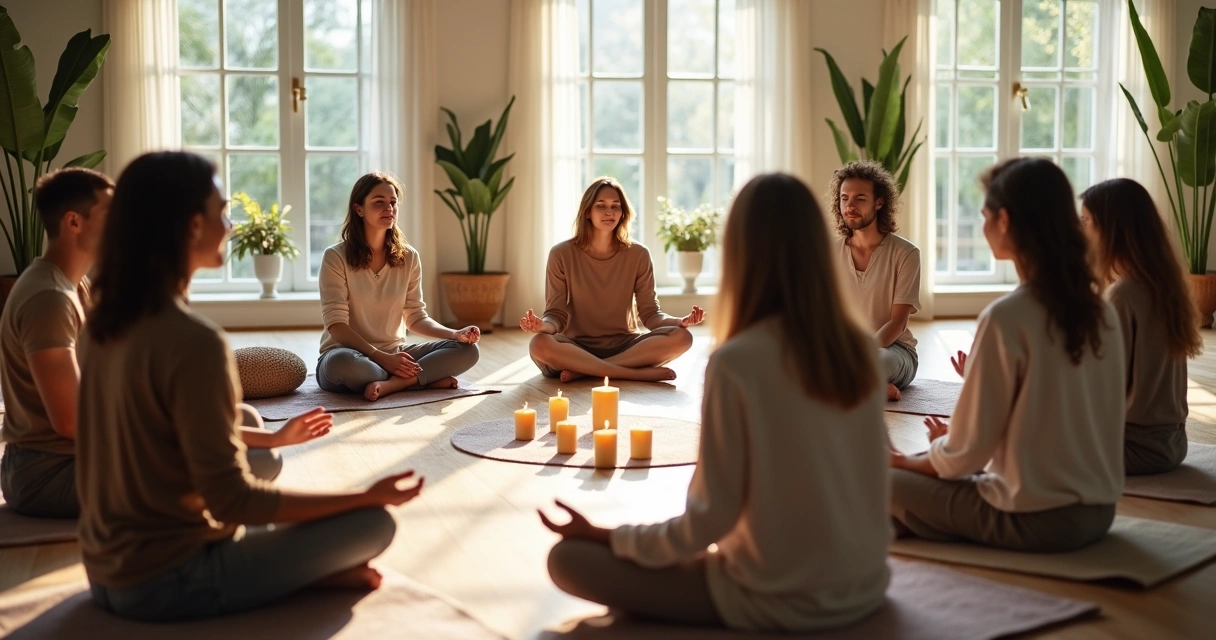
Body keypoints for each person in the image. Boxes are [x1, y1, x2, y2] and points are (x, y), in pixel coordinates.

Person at [77, 152, 424, 622]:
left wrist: (274, 440)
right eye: (222, 211)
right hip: (167, 580)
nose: (232, 224)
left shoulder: (104, 323)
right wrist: (365, 495)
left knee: (264, 457)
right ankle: (302, 577)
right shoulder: (194, 341)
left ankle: (295, 570)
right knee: (372, 524)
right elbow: (233, 501)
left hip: (104, 570)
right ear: (191, 226)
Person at [539, 173, 890, 632]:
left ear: (741, 251)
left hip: (774, 599)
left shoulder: (737, 361)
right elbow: (881, 472)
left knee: (569, 559)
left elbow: (709, 522)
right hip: (865, 586)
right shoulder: (861, 348)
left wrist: (610, 537)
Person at [890, 158, 1124, 552]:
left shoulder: (1007, 317)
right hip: (1099, 512)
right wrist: (957, 448)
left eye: (984, 215)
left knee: (879, 481)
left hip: (1036, 520)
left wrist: (903, 462)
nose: (982, 227)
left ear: (1005, 221)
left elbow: (961, 460)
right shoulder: (1103, 311)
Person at [0, 168, 111, 517]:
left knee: (241, 424)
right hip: (47, 472)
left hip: (83, 455)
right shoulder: (49, 297)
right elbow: (71, 423)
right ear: (74, 222)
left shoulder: (76, 285)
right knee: (247, 462)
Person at [522, 177, 703, 383]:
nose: (609, 212)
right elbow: (556, 314)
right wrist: (541, 326)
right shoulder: (561, 254)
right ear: (587, 212)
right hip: (576, 347)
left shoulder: (639, 254)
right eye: (601, 206)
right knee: (539, 344)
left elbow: (650, 314)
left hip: (625, 345)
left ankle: (586, 371)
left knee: (682, 337)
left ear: (622, 213)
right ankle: (630, 373)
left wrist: (680, 322)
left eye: (615, 206)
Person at [317, 172, 480, 401]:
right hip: (347, 355)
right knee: (342, 365)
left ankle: (394, 384)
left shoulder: (409, 257)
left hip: (396, 354)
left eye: (393, 202)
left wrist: (455, 334)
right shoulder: (335, 257)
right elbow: (336, 326)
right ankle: (418, 381)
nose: (389, 208)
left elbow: (415, 318)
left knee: (468, 351)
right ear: (359, 209)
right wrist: (382, 358)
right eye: (379, 202)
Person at [1080, 178, 1203, 475]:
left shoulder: (1122, 294)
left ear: (1112, 230)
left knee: (1029, 440)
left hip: (1133, 446)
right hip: (1173, 442)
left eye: (1086, 222)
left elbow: (1100, 388)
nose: (1080, 232)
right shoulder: (1162, 286)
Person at [830, 161, 921, 401]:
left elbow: (898, 323)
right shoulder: (829, 253)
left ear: (879, 202)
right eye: (844, 198)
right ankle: (871, 387)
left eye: (860, 198)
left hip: (894, 351)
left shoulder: (906, 253)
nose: (850, 206)